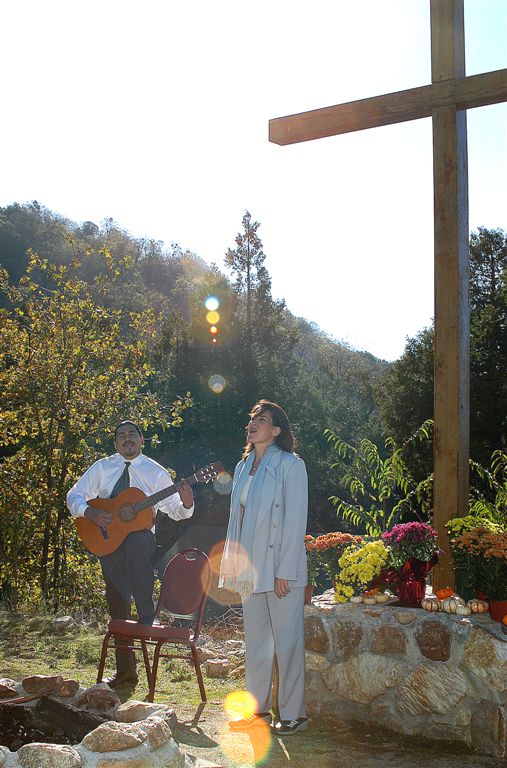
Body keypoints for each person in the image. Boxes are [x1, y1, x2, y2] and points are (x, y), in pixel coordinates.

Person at [67, 420, 194, 688]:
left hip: (141, 540)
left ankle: (147, 613)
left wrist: (187, 501)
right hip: (107, 540)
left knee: (137, 539)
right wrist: (89, 511)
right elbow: (74, 494)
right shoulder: (102, 467)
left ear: (141, 440)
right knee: (118, 605)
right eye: (121, 435)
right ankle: (126, 674)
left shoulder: (155, 473)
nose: (127, 439)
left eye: (132, 435)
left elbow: (177, 511)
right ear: (115, 443)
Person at [219, 400, 309, 736]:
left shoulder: (290, 465)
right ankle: (258, 713)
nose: (253, 423)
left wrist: (284, 570)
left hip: (281, 570)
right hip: (251, 571)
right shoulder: (242, 467)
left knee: (287, 643)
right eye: (252, 417)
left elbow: (294, 520)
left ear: (276, 431)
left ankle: (294, 713)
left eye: (262, 419)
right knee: (257, 643)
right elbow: (236, 523)